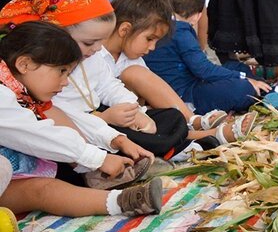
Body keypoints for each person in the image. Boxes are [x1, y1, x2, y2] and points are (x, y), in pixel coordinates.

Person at [0, 21, 163, 218]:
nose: (65, 82)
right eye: (61, 71)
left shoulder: (25, 93)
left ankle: (122, 199)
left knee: (44, 185)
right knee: (21, 178)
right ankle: (110, 191)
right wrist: (98, 158)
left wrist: (116, 139)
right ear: (24, 64)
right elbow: (33, 133)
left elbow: (73, 116)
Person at [145, 0, 269, 115]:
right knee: (243, 87)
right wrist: (243, 78)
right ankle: (264, 90)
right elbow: (203, 70)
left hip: (184, 86)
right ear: (197, 16)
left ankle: (261, 87)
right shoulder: (180, 32)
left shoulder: (159, 24)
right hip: (186, 96)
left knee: (236, 68)